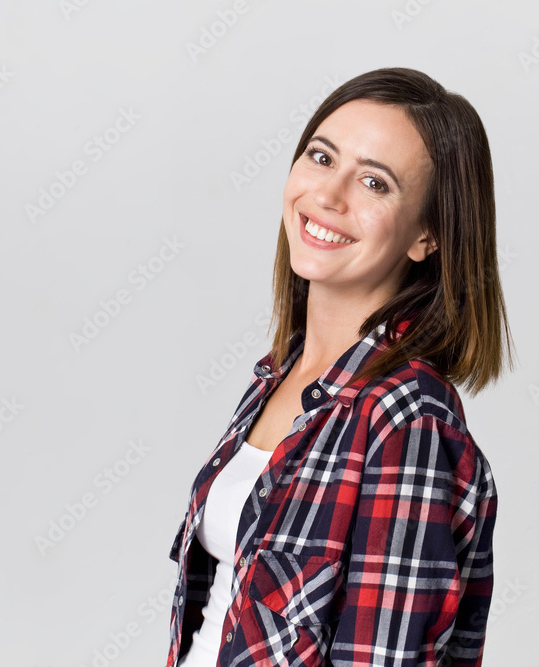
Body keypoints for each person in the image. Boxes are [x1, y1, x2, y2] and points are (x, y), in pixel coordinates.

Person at [166, 66, 515, 667]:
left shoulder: (405, 422)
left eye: (375, 183)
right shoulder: (281, 376)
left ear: (427, 235)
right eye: (322, 158)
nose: (328, 196)